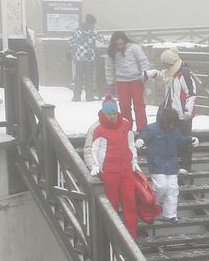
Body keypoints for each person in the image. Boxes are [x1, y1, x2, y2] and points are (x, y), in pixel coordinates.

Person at [84, 95, 139, 236]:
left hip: (126, 169)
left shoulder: (125, 124)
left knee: (130, 202)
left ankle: (131, 235)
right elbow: (89, 150)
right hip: (109, 172)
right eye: (109, 114)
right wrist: (93, 165)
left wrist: (134, 161)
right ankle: (112, 235)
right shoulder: (96, 128)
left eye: (114, 113)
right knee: (112, 204)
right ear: (103, 113)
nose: (113, 116)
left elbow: (131, 144)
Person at [137, 104, 196, 223]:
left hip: (171, 164)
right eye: (169, 124)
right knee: (161, 186)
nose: (171, 126)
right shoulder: (152, 129)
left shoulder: (175, 131)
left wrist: (190, 140)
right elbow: (144, 137)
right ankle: (149, 204)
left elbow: (181, 141)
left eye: (173, 124)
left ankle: (170, 214)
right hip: (157, 164)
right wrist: (140, 140)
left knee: (173, 189)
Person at [105, 30, 155, 130]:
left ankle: (142, 128)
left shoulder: (134, 48)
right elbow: (109, 68)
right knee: (124, 106)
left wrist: (144, 74)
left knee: (139, 105)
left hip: (136, 80)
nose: (119, 45)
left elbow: (143, 61)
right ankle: (127, 128)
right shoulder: (111, 52)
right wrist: (110, 84)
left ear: (125, 41)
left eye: (121, 43)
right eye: (117, 44)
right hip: (121, 81)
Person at [159, 48, 198, 173]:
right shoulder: (170, 72)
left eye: (164, 62)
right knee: (171, 138)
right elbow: (158, 73)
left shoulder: (183, 74)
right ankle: (174, 162)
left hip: (183, 114)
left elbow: (191, 93)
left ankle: (185, 166)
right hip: (171, 113)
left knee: (185, 138)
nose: (162, 64)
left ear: (169, 62)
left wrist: (188, 111)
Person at [68, 14, 99, 102]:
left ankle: (76, 97)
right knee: (89, 77)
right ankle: (89, 97)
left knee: (78, 77)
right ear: (92, 23)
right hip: (90, 57)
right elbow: (104, 40)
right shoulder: (93, 32)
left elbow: (71, 42)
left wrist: (72, 51)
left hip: (79, 57)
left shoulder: (77, 31)